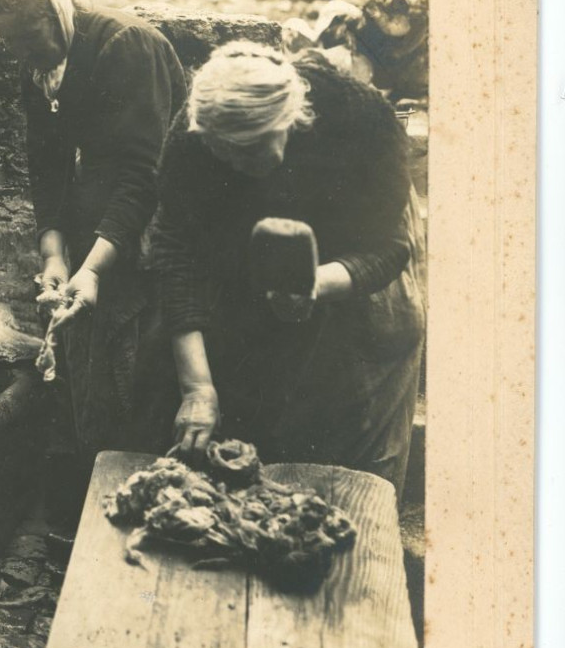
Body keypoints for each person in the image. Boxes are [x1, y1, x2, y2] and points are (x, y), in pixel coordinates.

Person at [146, 41, 425, 495]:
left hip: (353, 246)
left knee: (354, 398)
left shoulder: (361, 120)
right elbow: (178, 251)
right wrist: (197, 387)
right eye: (227, 156)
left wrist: (311, 284)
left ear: (289, 121)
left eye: (252, 153)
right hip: (250, 241)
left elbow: (388, 245)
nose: (239, 167)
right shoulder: (192, 137)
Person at [0, 0, 186, 455]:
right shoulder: (40, 66)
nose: (21, 53)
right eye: (8, 42)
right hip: (100, 224)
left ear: (56, 13)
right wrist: (54, 254)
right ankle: (89, 483)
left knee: (138, 367)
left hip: (155, 223)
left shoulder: (127, 46)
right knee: (89, 368)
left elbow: (143, 172)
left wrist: (92, 268)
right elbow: (46, 164)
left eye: (28, 37)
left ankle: (132, 479)